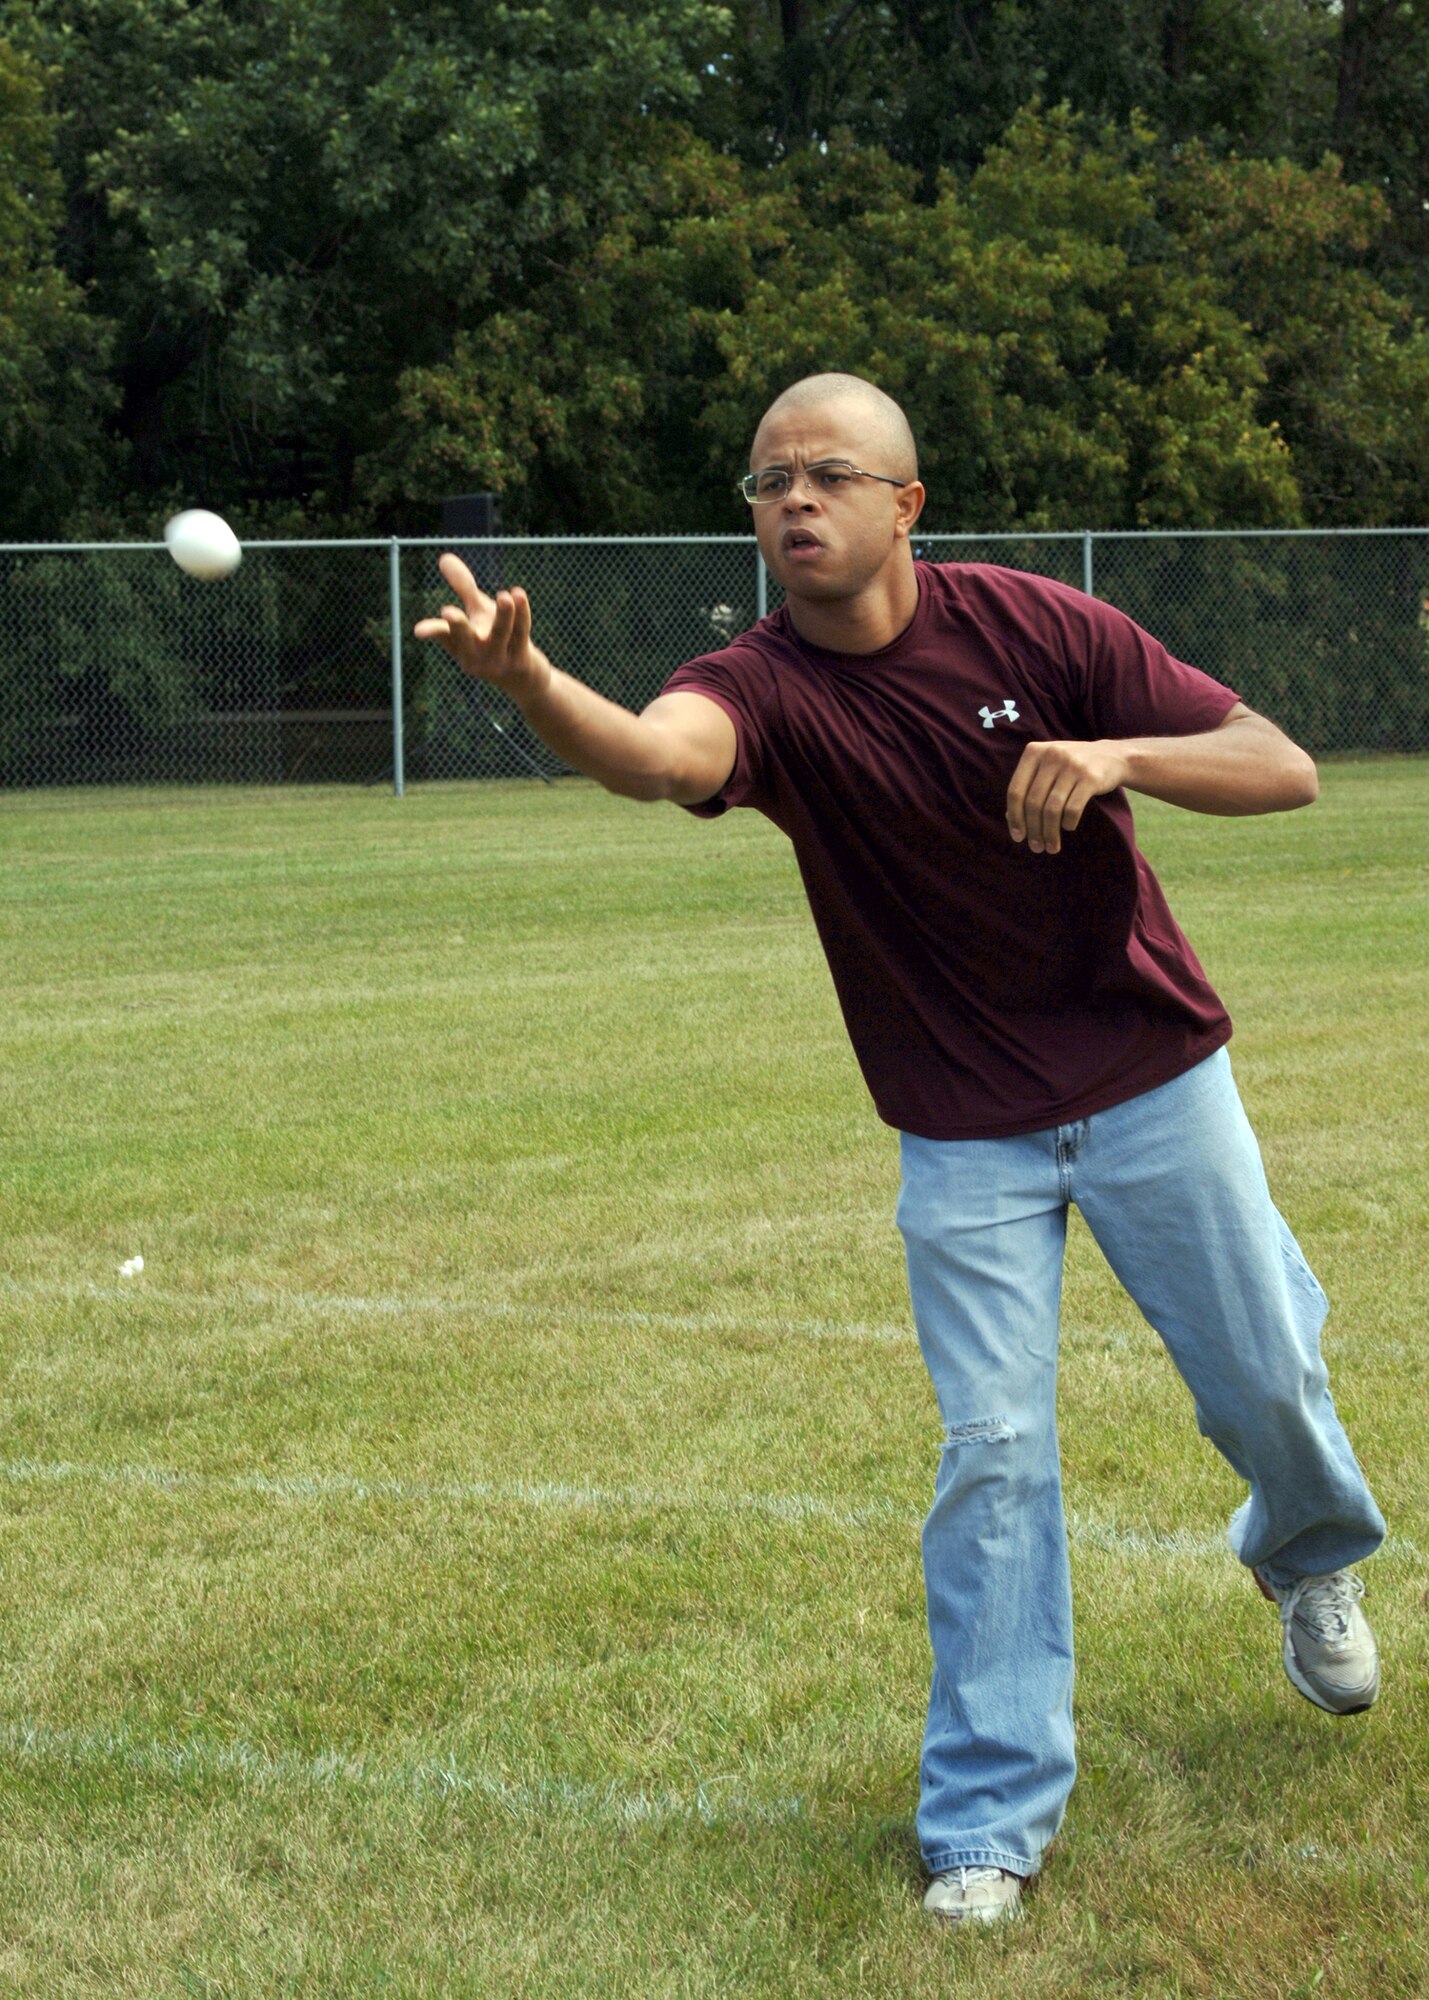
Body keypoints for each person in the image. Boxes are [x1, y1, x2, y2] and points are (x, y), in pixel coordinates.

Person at [414, 373, 1385, 1927]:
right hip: (960, 1132)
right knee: (992, 1453)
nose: (789, 502)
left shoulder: (1034, 628)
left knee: (1264, 1371)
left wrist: (1123, 756)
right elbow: (662, 756)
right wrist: (535, 687)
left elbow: (1282, 765)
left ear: (901, 504)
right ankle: (986, 1820)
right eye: (763, 482)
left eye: (824, 475)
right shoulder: (760, 688)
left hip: (1148, 1077)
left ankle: (1304, 1548)